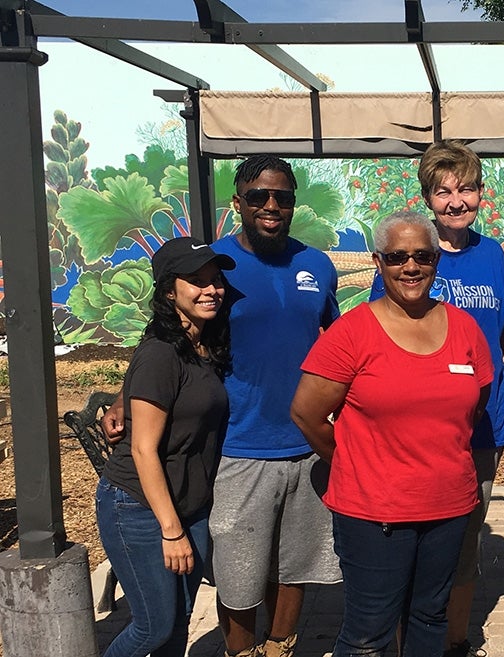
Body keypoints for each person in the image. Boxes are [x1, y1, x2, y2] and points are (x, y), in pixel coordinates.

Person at [103, 154, 342, 657]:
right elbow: (165, 334)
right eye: (258, 195)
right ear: (239, 203)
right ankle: (242, 651)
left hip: (305, 443)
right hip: (237, 446)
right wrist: (126, 397)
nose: (271, 205)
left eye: (282, 196)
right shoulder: (214, 268)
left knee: (295, 563)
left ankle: (280, 646)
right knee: (239, 570)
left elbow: (334, 341)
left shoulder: (317, 266)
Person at [291, 210, 493, 657]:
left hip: (447, 506)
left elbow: (475, 405)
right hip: (374, 512)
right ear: (379, 262)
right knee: (369, 633)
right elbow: (307, 413)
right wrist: (351, 460)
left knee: (430, 618)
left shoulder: (464, 328)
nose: (411, 266)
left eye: (422, 255)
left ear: (436, 260)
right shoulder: (352, 332)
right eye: (397, 256)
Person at [368, 141, 504, 657]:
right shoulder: (410, 257)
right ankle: (410, 642)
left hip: (479, 430)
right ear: (428, 198)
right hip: (414, 434)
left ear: (479, 194)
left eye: (466, 189)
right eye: (443, 190)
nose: (456, 200)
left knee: (464, 546)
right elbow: (377, 335)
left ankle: (452, 641)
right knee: (412, 546)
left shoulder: (493, 254)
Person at [96, 236, 234, 657]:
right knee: (152, 628)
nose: (211, 289)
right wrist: (171, 532)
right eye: (196, 280)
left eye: (215, 280)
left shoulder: (206, 344)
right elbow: (142, 449)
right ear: (169, 291)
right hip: (140, 507)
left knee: (178, 622)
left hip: (189, 504)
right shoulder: (161, 352)